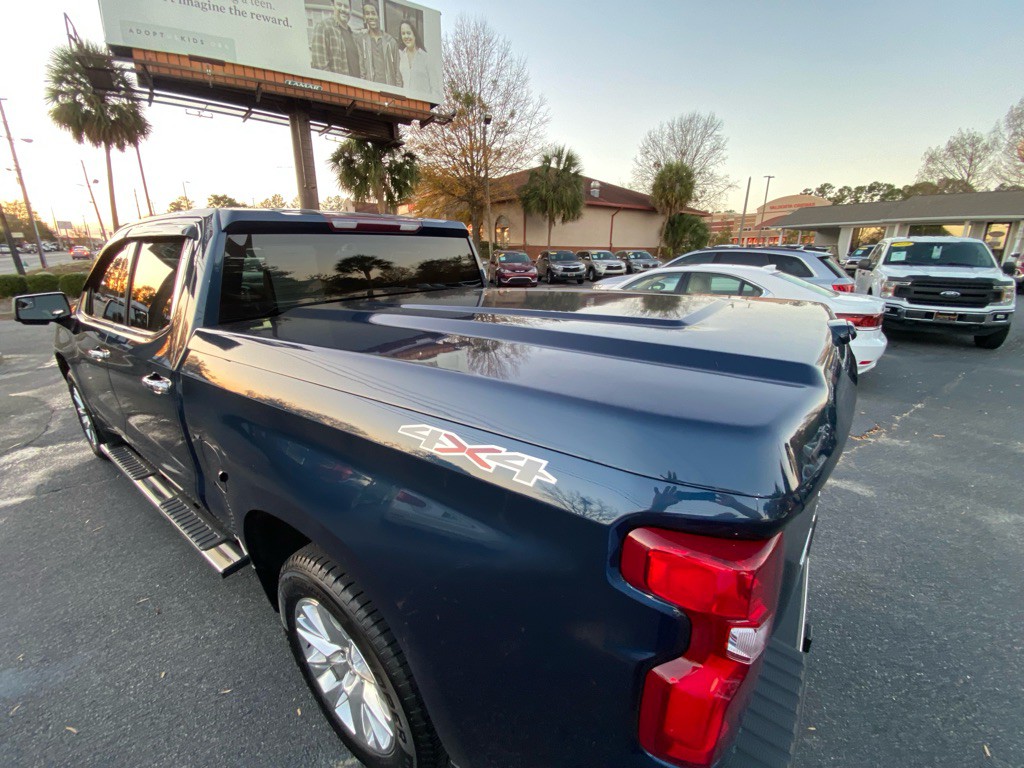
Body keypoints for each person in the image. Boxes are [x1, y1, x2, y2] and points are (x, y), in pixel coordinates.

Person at [309, 0, 361, 78]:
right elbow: (320, 67)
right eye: (339, 5)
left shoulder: (354, 36)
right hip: (338, 87)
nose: (343, 9)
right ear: (332, 6)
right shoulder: (323, 27)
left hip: (357, 87)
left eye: (346, 6)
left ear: (350, 10)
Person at [355, 1, 402, 87]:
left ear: (378, 16)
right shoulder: (361, 40)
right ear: (365, 17)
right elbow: (362, 71)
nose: (371, 17)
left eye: (373, 13)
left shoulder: (391, 42)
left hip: (389, 91)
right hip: (371, 91)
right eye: (367, 13)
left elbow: (397, 72)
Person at [397, 19, 432, 93]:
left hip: (422, 102)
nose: (406, 36)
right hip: (406, 103)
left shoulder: (425, 57)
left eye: (408, 33)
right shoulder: (400, 56)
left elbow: (435, 87)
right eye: (403, 34)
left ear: (414, 35)